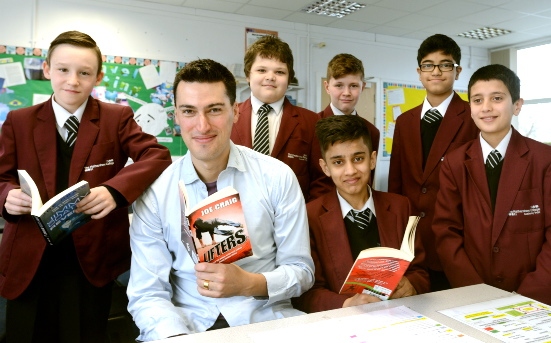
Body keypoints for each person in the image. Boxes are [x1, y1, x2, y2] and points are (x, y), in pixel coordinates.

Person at [0, 30, 172, 342]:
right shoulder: (19, 120)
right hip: (29, 257)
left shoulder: (116, 117)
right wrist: (6, 196)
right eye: (63, 70)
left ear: (98, 77)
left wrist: (114, 190)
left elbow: (156, 155)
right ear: (48, 69)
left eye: (84, 73)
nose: (73, 81)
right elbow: (1, 177)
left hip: (90, 260)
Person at [127, 59, 315, 341]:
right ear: (176, 116)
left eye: (214, 110)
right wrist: (175, 336)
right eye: (189, 111)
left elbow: (301, 271)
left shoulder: (278, 177)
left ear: (235, 111)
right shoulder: (156, 191)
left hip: (264, 323)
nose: (202, 126)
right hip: (187, 325)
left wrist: (250, 284)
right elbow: (147, 293)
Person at [433, 64, 551, 305]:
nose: (486, 107)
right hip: (473, 296)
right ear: (470, 108)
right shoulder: (454, 163)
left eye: (497, 98)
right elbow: (446, 232)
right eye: (477, 100)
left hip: (533, 298)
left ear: (517, 105)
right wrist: (476, 292)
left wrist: (529, 296)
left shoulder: (544, 160)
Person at [293, 115, 429, 313]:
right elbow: (306, 293)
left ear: (372, 159)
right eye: (338, 162)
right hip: (342, 324)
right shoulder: (310, 217)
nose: (350, 171)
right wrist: (346, 304)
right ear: (325, 168)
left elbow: (420, 272)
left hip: (397, 317)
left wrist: (411, 285)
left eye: (358, 159)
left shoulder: (401, 207)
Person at [387, 34, 479, 291]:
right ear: (419, 72)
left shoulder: (473, 118)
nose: (436, 71)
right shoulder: (405, 122)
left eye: (445, 64)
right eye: (428, 65)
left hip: (455, 240)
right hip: (411, 242)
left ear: (457, 71)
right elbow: (396, 184)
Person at [230, 35, 331, 201]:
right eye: (261, 70)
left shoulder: (312, 122)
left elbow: (322, 180)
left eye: (279, 72)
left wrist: (308, 218)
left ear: (289, 78)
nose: (270, 77)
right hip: (238, 220)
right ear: (248, 75)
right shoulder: (228, 117)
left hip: (293, 219)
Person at [319, 53, 380, 180]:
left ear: (362, 87)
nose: (346, 93)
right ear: (327, 87)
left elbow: (367, 180)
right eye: (339, 85)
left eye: (353, 86)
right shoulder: (311, 125)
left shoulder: (371, 131)